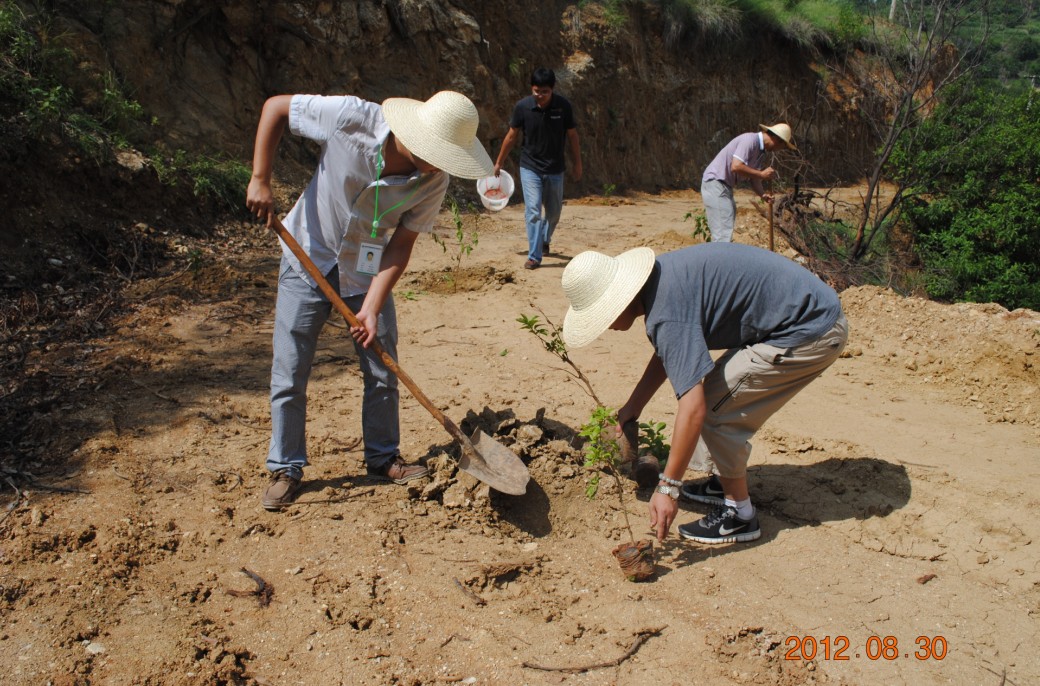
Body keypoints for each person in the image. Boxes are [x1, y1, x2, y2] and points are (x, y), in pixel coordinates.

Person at [246, 90, 494, 511]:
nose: (440, 165)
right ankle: (286, 467)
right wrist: (260, 178)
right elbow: (276, 107)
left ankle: (383, 458)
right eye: (437, 154)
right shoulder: (351, 118)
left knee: (382, 367)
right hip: (307, 254)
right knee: (290, 369)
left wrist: (373, 305)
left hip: (365, 273)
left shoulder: (434, 180)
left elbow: (401, 244)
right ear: (416, 135)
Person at [560, 243, 847, 544]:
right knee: (715, 394)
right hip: (802, 312)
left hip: (810, 330)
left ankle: (739, 514)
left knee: (713, 408)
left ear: (620, 300)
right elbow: (672, 351)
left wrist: (668, 487)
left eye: (602, 317)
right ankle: (724, 482)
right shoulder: (661, 280)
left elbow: (694, 408)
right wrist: (634, 404)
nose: (605, 327)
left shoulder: (665, 313)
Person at [493, 67, 583, 270]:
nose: (540, 96)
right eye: (536, 91)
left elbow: (573, 136)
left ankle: (544, 239)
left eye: (545, 92)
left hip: (555, 169)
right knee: (533, 210)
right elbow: (511, 135)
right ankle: (534, 256)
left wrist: (578, 163)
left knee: (554, 213)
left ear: (552, 90)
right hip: (530, 167)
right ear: (531, 88)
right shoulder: (523, 107)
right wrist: (499, 161)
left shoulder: (563, 107)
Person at [700, 123, 796, 242]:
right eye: (783, 146)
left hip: (725, 186)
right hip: (716, 182)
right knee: (722, 234)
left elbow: (753, 178)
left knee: (726, 227)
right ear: (777, 139)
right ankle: (720, 254)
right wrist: (761, 174)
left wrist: (762, 195)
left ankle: (722, 252)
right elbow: (736, 166)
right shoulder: (749, 140)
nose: (779, 150)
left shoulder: (760, 152)